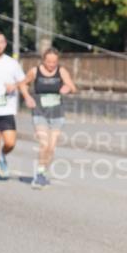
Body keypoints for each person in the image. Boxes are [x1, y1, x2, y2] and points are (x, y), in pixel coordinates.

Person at [23, 47, 77, 189]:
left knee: (51, 148)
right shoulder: (35, 71)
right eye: (49, 62)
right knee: (44, 144)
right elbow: (23, 84)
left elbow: (73, 87)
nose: (51, 64)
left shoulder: (61, 71)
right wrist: (27, 97)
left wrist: (67, 88)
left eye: (54, 62)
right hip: (40, 112)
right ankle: (40, 174)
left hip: (57, 114)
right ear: (43, 60)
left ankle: (44, 172)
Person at [0, 31, 35, 182]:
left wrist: (26, 96)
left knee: (10, 143)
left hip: (7, 110)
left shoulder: (12, 63)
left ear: (5, 44)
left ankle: (3, 156)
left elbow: (23, 82)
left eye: (1, 42)